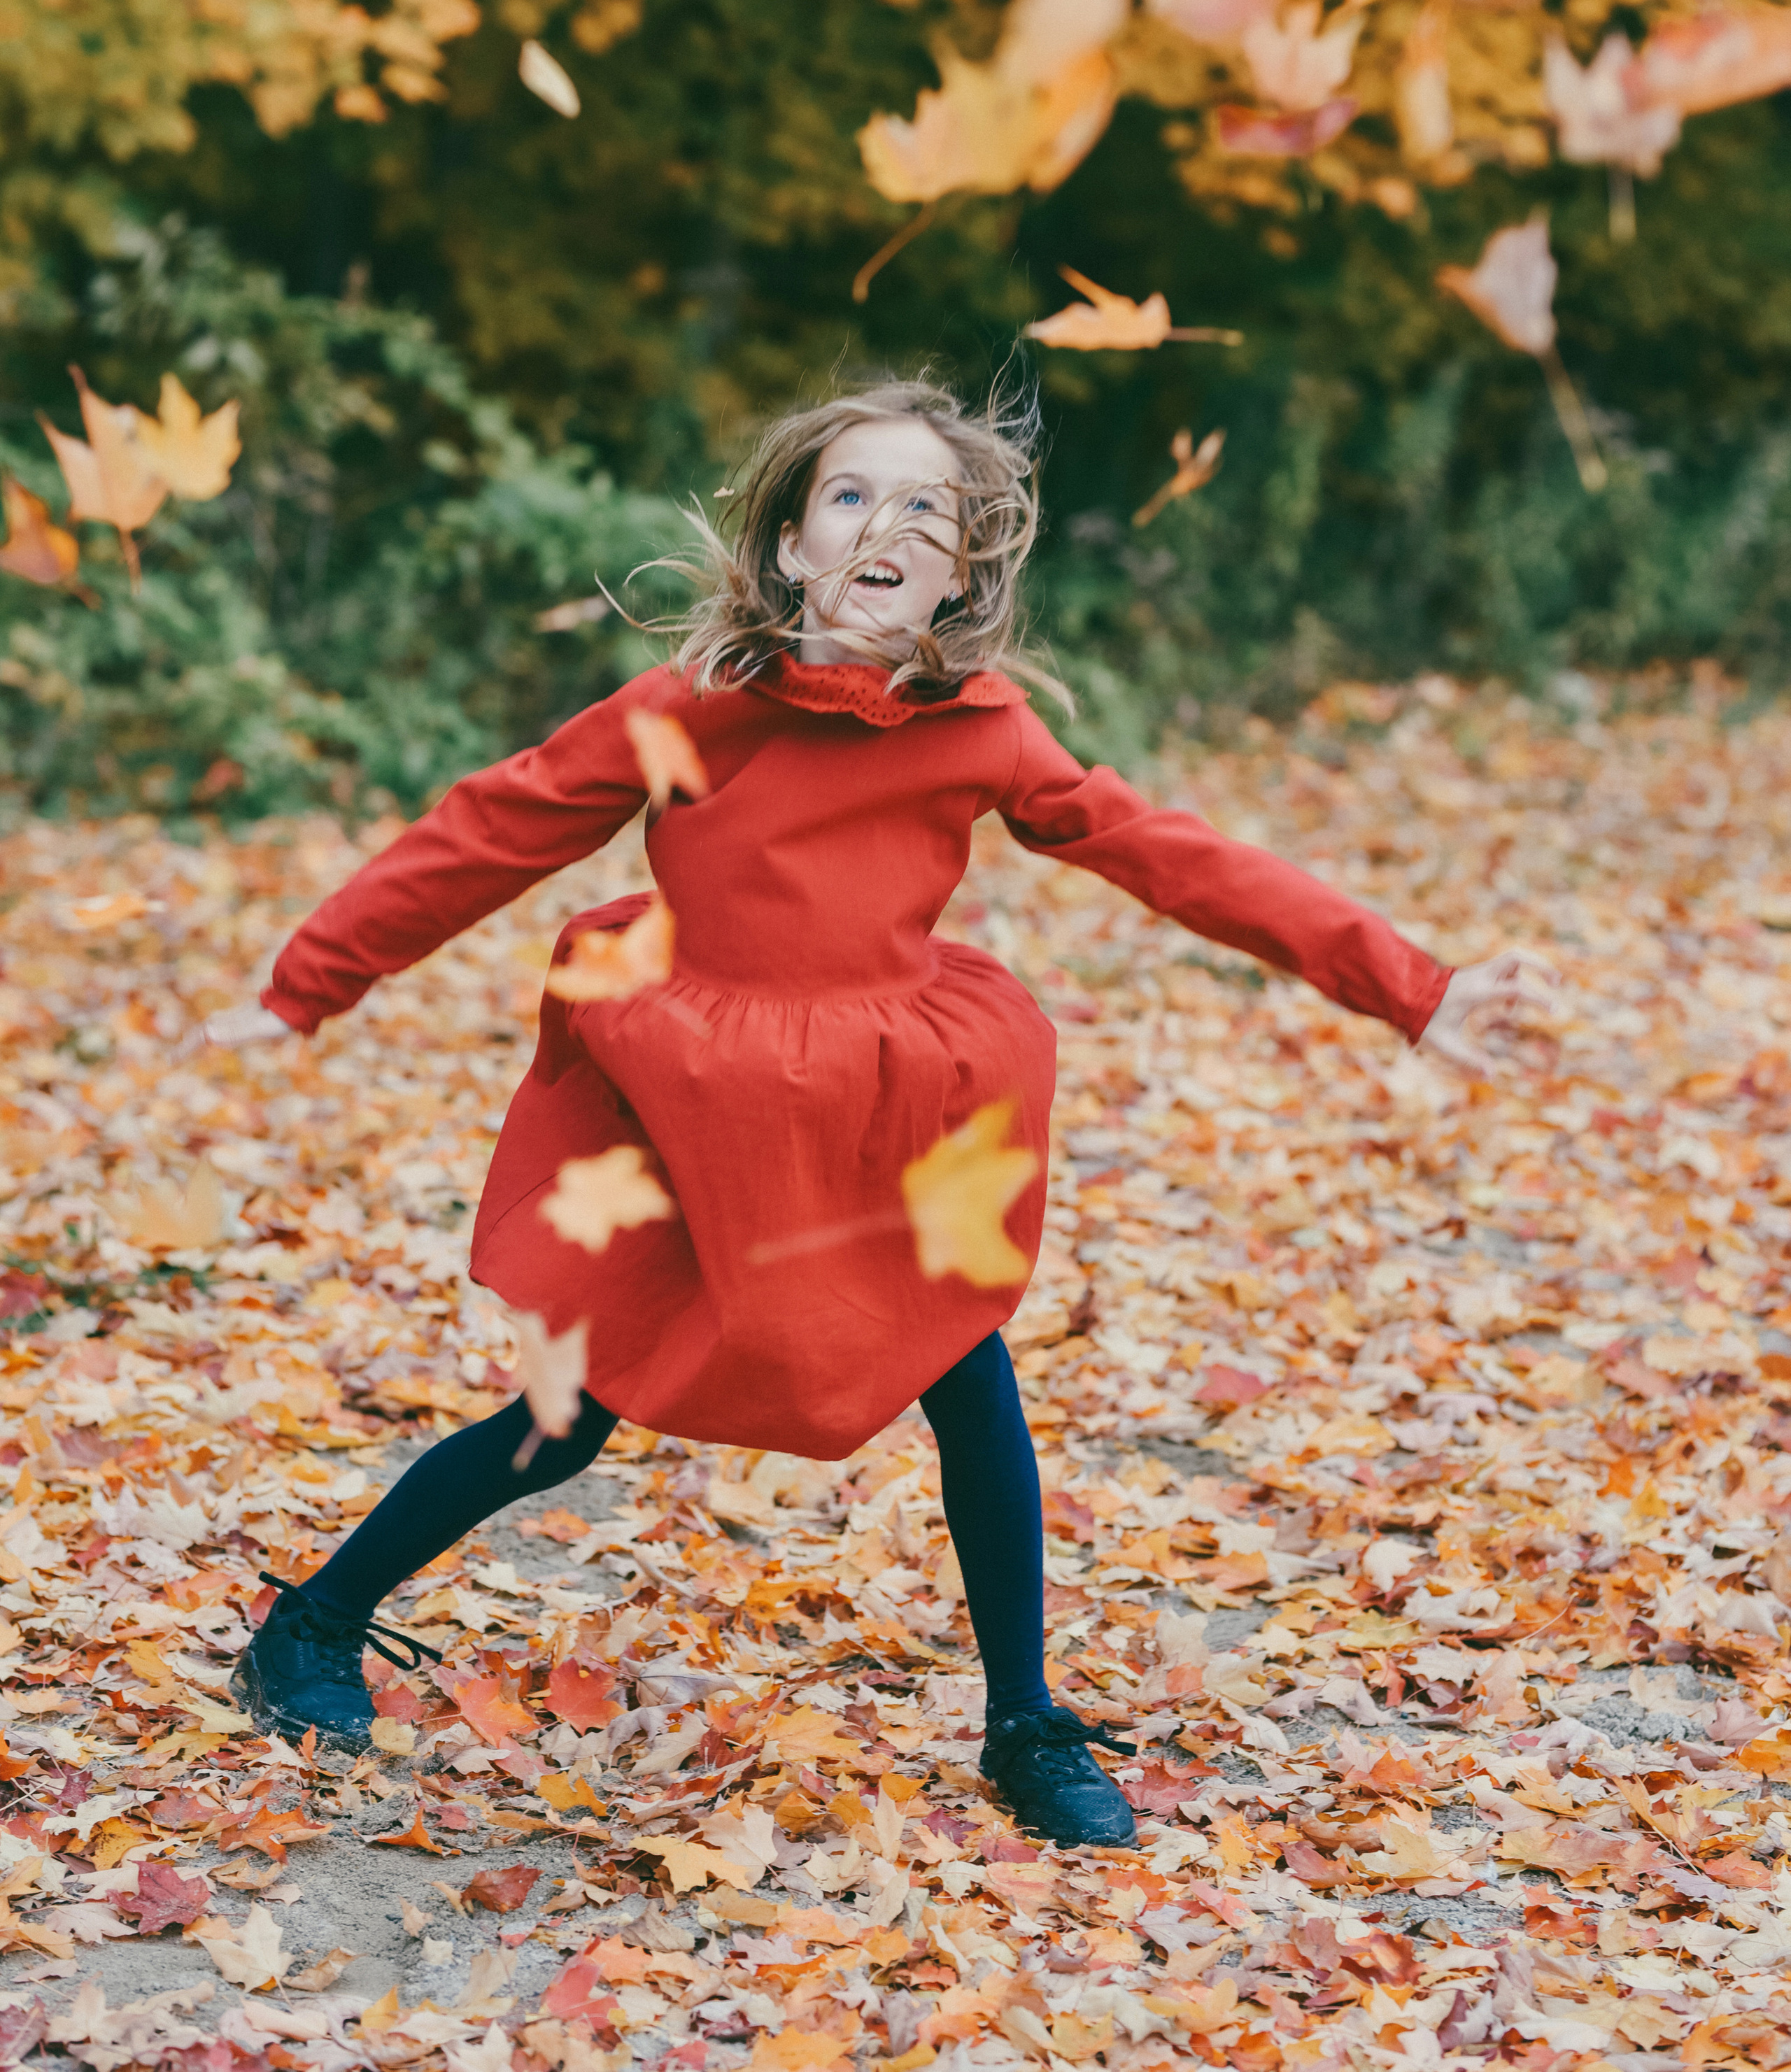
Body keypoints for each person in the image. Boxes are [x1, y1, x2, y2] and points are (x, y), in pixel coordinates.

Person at [204, 376, 1546, 1848]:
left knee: (968, 1375)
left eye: (926, 509)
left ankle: (1025, 1722)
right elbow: (490, 827)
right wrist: (307, 981)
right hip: (699, 1107)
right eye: (851, 496)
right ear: (790, 545)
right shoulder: (690, 712)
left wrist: (1411, 986)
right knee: (572, 1411)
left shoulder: (981, 730)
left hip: (884, 1103)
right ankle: (313, 1620)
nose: (885, 526)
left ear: (960, 572)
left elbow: (1174, 856)